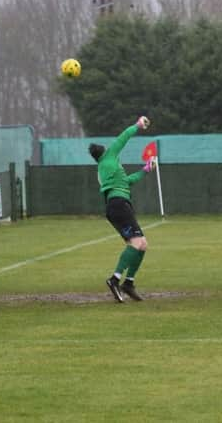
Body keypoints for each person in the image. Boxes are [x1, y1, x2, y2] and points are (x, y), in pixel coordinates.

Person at [89, 115, 153, 303]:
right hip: (119, 205)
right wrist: (137, 125)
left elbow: (126, 182)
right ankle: (115, 280)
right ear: (104, 151)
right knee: (136, 244)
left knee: (142, 244)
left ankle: (129, 283)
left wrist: (145, 170)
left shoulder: (103, 169)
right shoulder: (109, 157)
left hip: (116, 206)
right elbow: (122, 138)